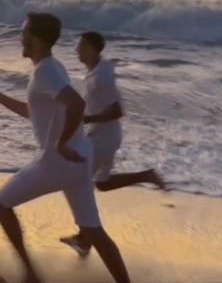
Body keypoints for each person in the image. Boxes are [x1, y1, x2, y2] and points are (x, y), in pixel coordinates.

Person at [0, 13, 131, 283]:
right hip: (80, 160)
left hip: (57, 162)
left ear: (35, 38)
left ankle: (31, 275)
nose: (21, 38)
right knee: (94, 231)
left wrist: (60, 143)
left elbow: (77, 104)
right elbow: (33, 112)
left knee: (0, 205)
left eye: (24, 33)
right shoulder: (53, 67)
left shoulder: (45, 71)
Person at [60, 30, 164, 257]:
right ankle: (146, 175)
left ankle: (85, 238)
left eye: (81, 46)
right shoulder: (96, 72)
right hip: (101, 137)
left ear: (92, 49)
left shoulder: (102, 77)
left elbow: (117, 111)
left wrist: (88, 119)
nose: (77, 50)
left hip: (103, 139)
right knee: (100, 183)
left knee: (79, 181)